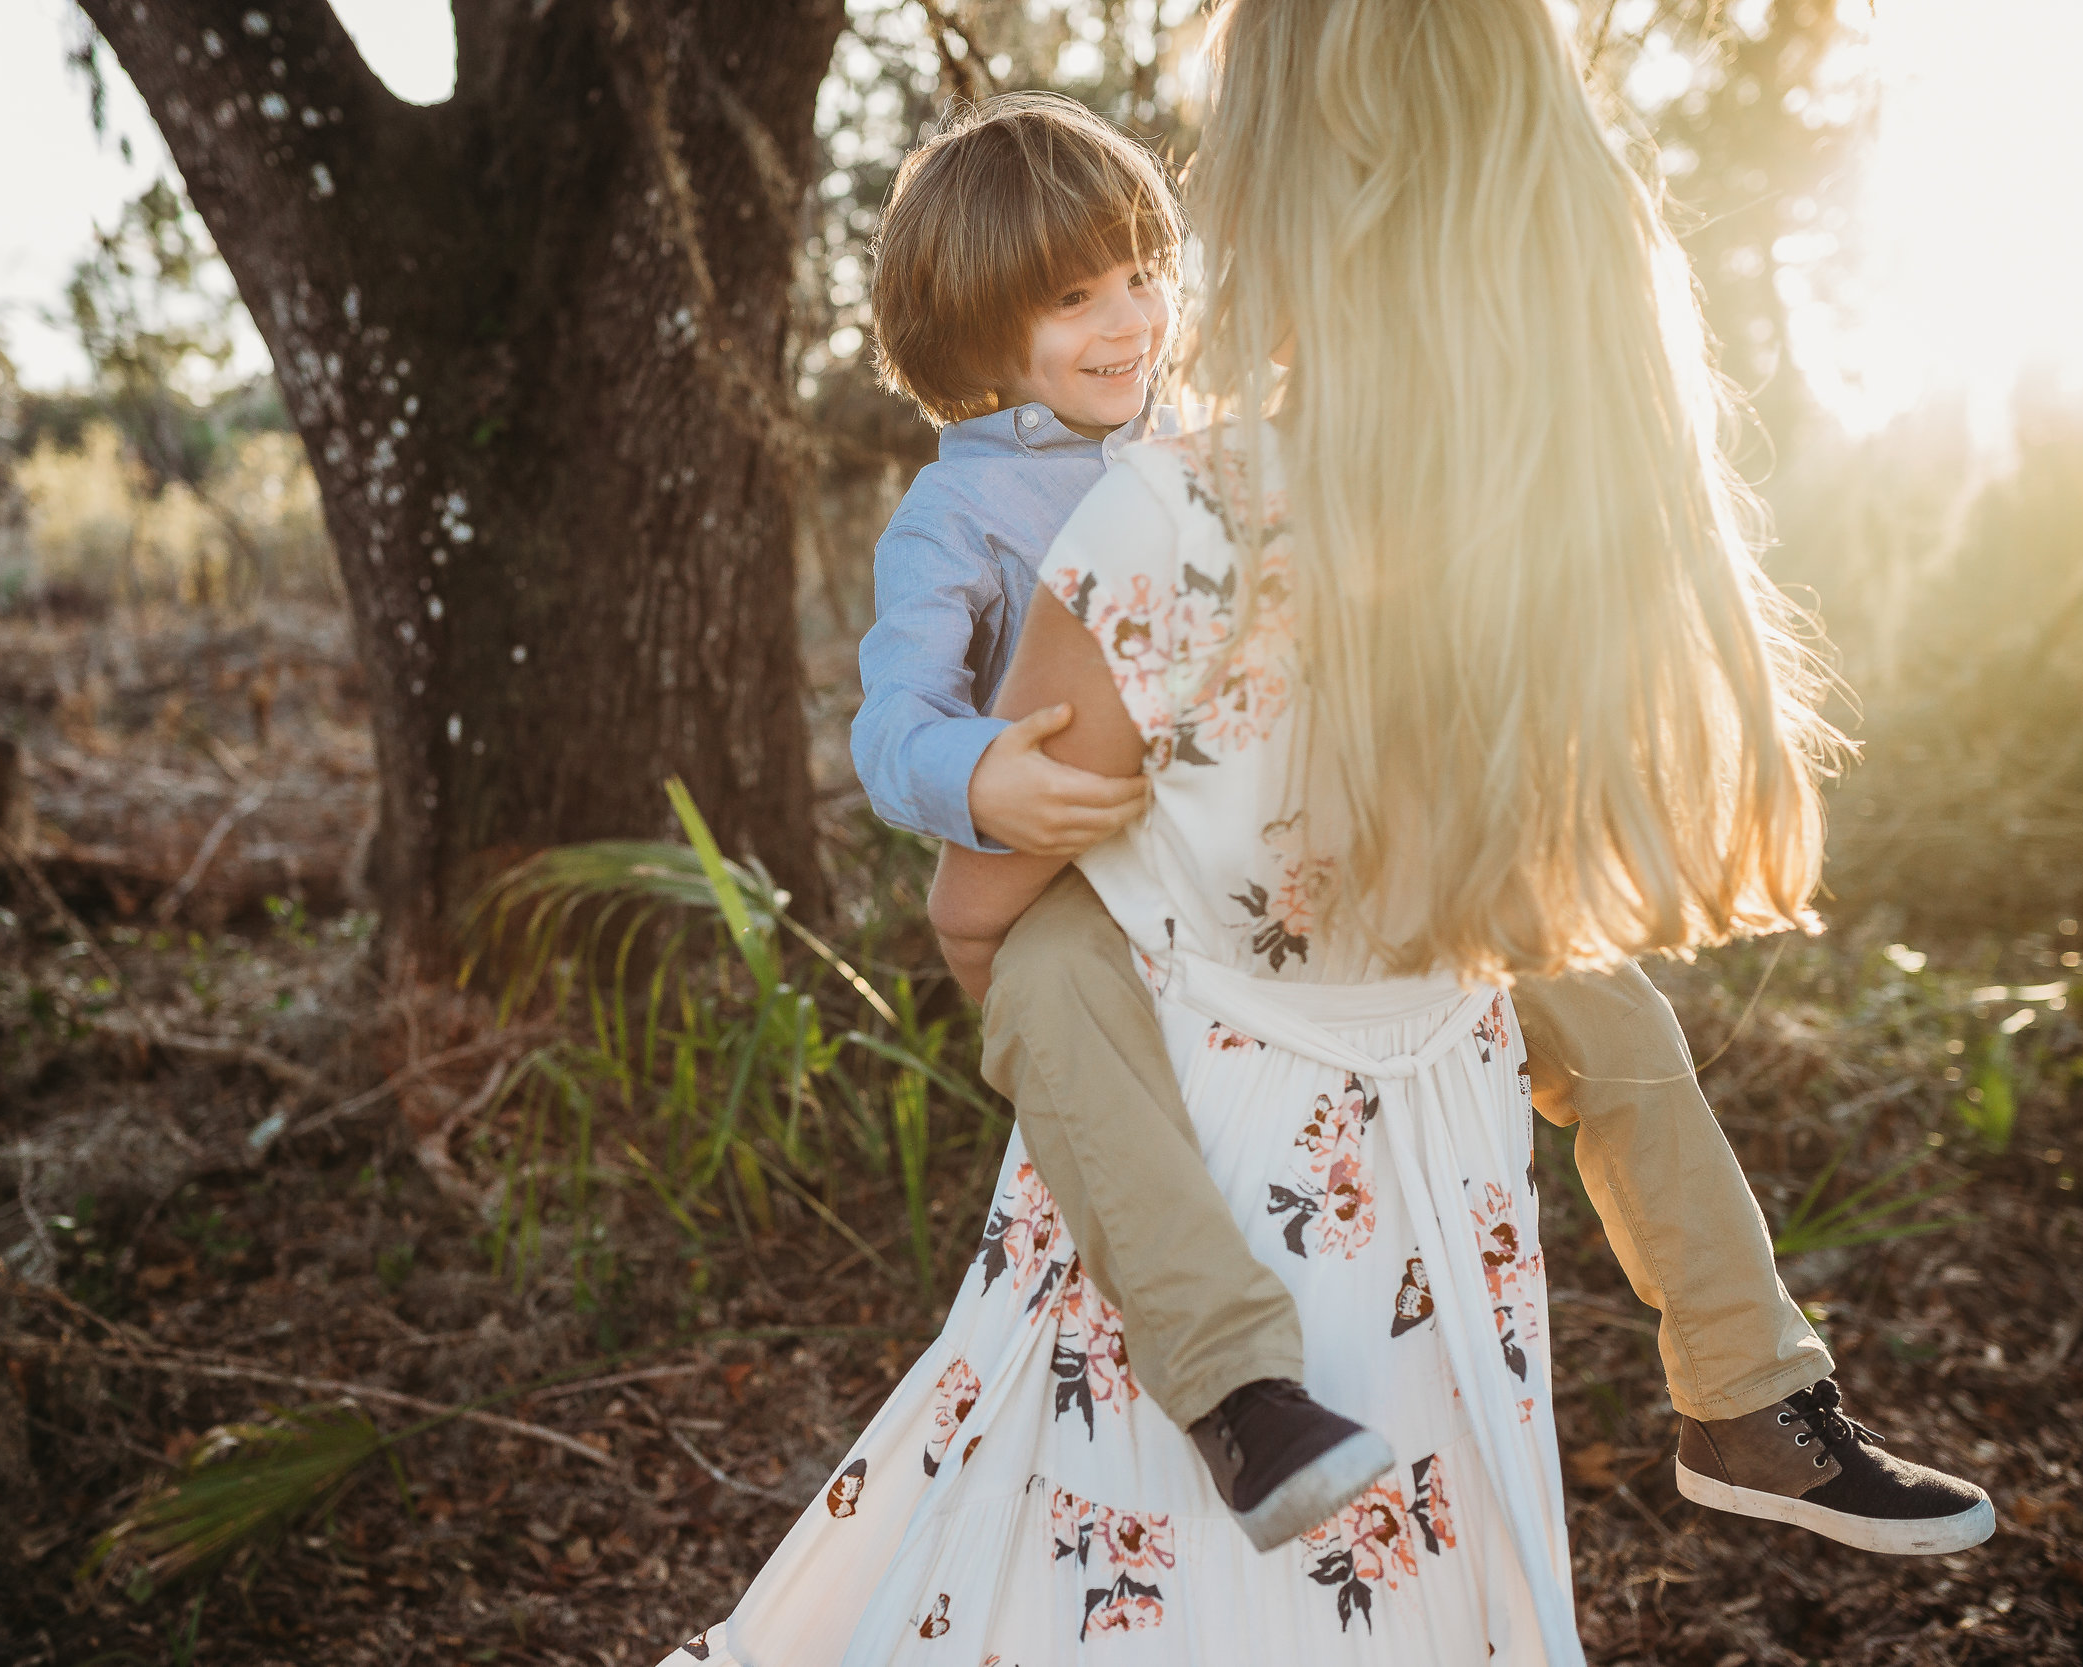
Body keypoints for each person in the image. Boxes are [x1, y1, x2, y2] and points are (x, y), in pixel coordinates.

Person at [657, 6, 1986, 1654]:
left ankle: (1750, 1383)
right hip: (1091, 881)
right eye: (1072, 298)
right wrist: (979, 785)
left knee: (1612, 1010)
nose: (1131, 315)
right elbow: (905, 730)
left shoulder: (1194, 454)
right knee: (1052, 993)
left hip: (1369, 921)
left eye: (1142, 271)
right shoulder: (972, 510)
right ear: (974, 332)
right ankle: (1235, 1390)